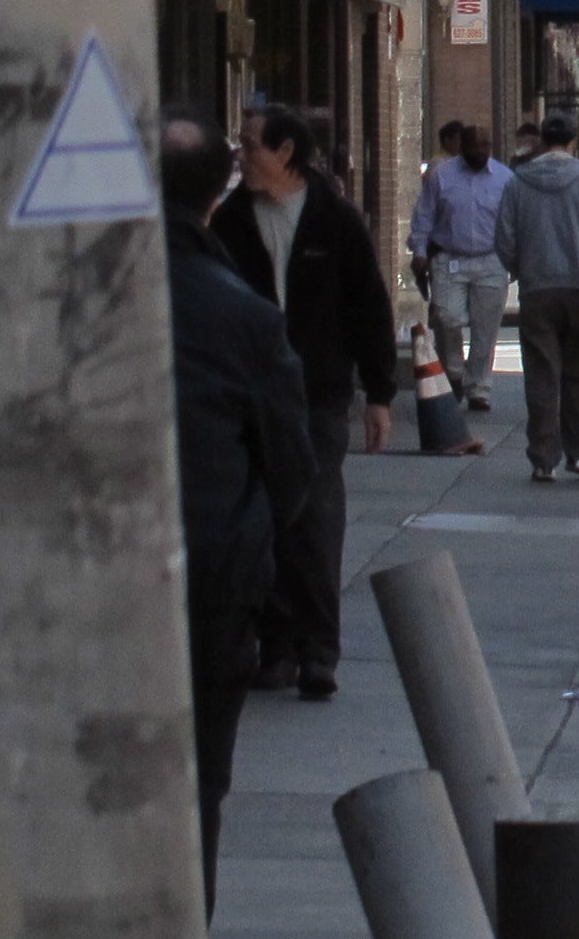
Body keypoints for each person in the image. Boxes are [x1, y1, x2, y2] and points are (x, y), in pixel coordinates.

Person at [162, 113, 310, 915]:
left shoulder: (70, 296)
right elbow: (292, 469)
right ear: (214, 198)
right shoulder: (242, 315)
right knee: (197, 786)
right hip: (212, 574)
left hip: (88, 574)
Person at [208, 108, 395, 701]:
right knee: (262, 522)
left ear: (286, 151)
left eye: (251, 145)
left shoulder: (335, 222)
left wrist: (380, 394)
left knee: (314, 517)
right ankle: (276, 645)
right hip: (251, 397)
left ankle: (319, 649)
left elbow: (369, 308)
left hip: (317, 395)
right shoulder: (232, 223)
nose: (242, 155)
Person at [493, 113, 579, 482]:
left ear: (540, 141)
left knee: (541, 375)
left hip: (537, 289)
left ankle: (543, 457)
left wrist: (521, 267)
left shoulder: (518, 184)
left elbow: (503, 237)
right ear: (574, 141)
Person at [410, 120, 514, 412]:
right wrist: (419, 250)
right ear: (461, 147)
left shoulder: (505, 179)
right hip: (450, 258)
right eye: (475, 146)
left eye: (486, 146)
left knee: (486, 328)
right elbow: (424, 216)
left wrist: (516, 257)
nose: (481, 151)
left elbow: (512, 223)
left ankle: (479, 388)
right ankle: (453, 371)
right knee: (446, 317)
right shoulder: (442, 176)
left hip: (491, 259)